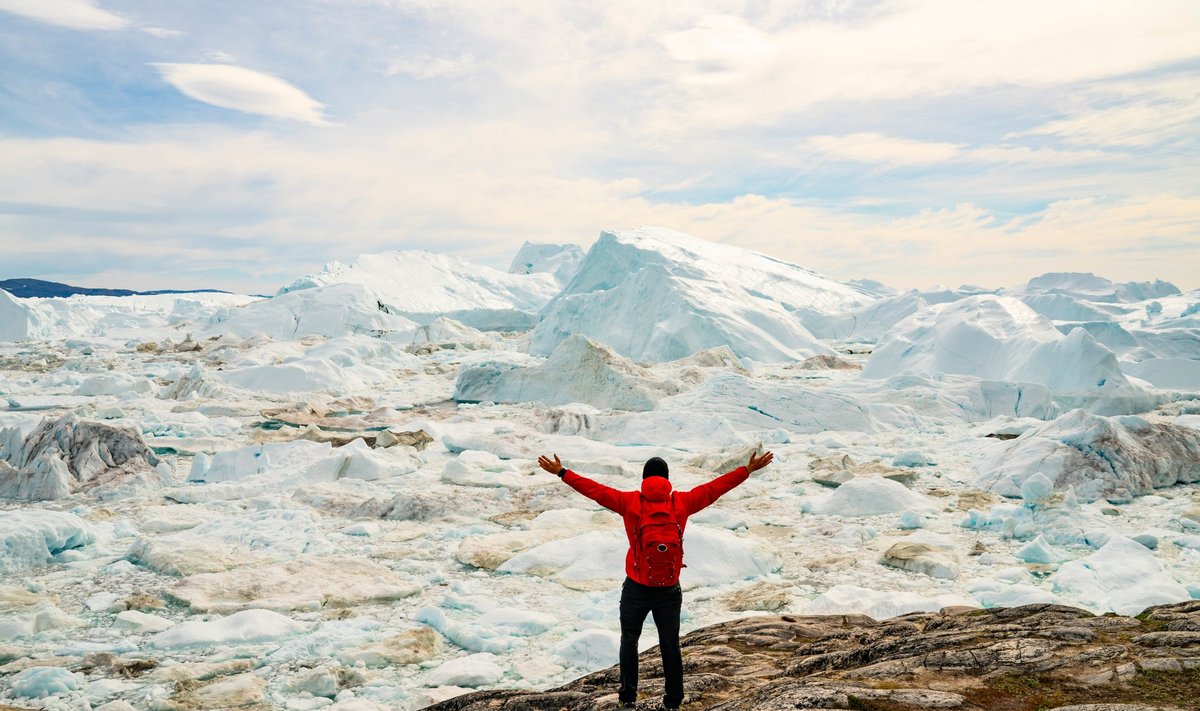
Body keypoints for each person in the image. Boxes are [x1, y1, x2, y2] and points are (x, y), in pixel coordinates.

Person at [537, 450, 774, 711]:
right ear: (667, 480)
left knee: (629, 641)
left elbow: (595, 490)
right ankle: (673, 703)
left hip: (637, 587)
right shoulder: (681, 503)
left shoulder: (629, 502)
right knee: (669, 645)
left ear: (644, 479)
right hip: (669, 590)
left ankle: (627, 701)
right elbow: (714, 488)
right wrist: (746, 470)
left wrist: (562, 473)